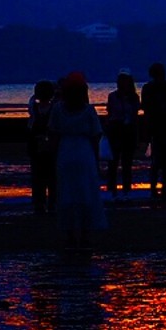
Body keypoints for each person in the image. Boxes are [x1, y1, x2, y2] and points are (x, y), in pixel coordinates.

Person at [49, 71, 106, 251]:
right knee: (86, 192)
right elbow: (96, 135)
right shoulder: (88, 110)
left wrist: (54, 154)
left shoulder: (58, 109)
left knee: (67, 193)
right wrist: (96, 159)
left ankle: (70, 234)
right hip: (84, 151)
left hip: (65, 151)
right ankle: (86, 234)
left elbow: (53, 134)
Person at [141, 62, 166, 198]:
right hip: (165, 126)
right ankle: (163, 188)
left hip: (158, 126)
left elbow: (145, 110)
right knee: (165, 160)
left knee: (158, 161)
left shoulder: (148, 88)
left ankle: (156, 189)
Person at [104, 72, 140, 194]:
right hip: (116, 130)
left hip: (129, 130)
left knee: (127, 162)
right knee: (113, 162)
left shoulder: (134, 97)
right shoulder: (113, 96)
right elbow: (110, 113)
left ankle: (126, 189)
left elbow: (135, 114)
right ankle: (112, 188)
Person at [27, 79, 57, 215]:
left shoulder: (34, 107)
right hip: (45, 147)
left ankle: (42, 203)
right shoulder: (55, 108)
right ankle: (49, 202)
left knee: (41, 177)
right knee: (50, 176)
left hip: (42, 147)